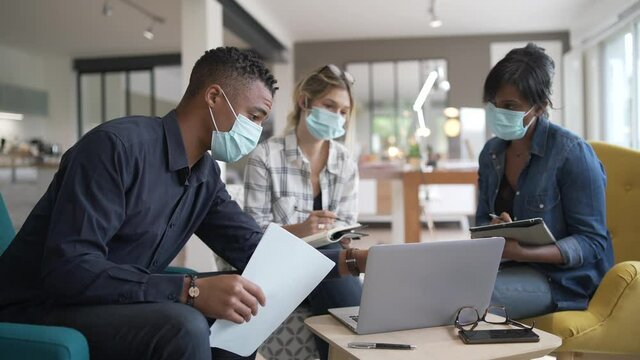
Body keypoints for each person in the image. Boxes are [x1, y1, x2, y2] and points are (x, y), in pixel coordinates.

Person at [0, 47, 368, 360]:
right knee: (185, 324)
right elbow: (70, 270)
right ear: (213, 97)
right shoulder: (116, 148)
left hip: (111, 300)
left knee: (241, 303)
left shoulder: (205, 176)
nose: (256, 130)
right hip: (43, 305)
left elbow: (255, 249)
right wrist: (189, 290)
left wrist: (353, 261)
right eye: (254, 116)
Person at [476, 43, 614, 320]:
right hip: (511, 269)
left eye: (510, 106)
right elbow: (480, 225)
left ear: (539, 107)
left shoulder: (572, 153)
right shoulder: (491, 153)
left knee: (465, 300)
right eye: (493, 104)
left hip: (564, 281)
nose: (498, 112)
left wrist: (524, 251)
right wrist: (493, 232)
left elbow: (592, 242)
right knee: (440, 286)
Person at [243, 64, 362, 360]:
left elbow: (347, 228)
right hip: (279, 265)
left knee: (333, 265)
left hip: (329, 261)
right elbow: (249, 236)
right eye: (329, 105)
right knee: (336, 282)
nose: (337, 116)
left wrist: (341, 238)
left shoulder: (345, 162)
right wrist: (302, 230)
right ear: (304, 101)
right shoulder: (265, 156)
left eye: (344, 111)